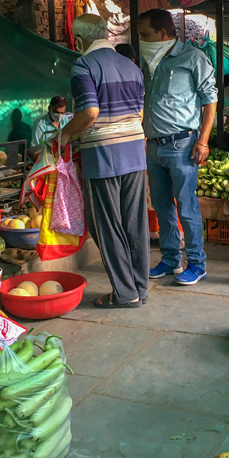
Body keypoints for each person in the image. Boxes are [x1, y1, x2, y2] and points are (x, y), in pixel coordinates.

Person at [58, 15, 149, 308]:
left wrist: (63, 136)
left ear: (81, 40)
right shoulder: (131, 67)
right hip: (134, 151)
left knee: (107, 225)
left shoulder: (84, 65)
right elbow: (140, 114)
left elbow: (90, 113)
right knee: (134, 222)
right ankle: (139, 288)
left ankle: (125, 293)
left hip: (103, 156)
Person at [139, 8, 217, 285]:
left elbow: (210, 101)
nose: (142, 40)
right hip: (154, 145)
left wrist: (203, 140)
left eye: (145, 34)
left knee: (186, 206)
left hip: (182, 144)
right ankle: (171, 259)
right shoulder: (149, 60)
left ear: (163, 33)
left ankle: (197, 263)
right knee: (161, 206)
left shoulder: (193, 58)